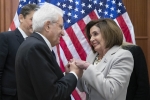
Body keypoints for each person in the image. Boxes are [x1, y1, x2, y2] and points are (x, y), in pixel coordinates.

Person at [15, 3, 83, 100]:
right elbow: (53, 95)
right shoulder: (36, 48)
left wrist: (66, 75)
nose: (63, 33)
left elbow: (44, 83)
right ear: (47, 26)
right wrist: (74, 74)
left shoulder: (33, 44)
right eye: (60, 27)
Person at [70, 18, 134, 100]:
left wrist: (87, 67)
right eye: (90, 36)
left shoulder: (123, 56)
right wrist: (75, 72)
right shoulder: (92, 56)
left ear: (108, 34)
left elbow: (111, 91)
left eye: (95, 34)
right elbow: (84, 88)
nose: (91, 39)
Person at [0, 4, 38, 100]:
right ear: (21, 18)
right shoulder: (6, 38)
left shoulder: (37, 43)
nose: (35, 24)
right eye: (32, 19)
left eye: (37, 21)